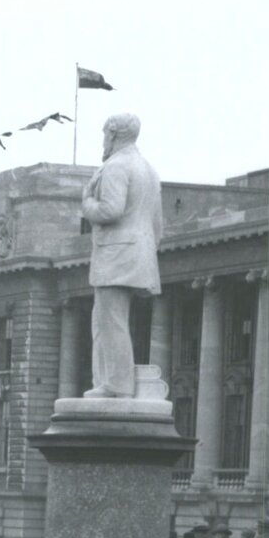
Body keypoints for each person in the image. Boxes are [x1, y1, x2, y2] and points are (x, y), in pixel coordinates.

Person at [80, 111, 163, 398]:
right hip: (139, 255)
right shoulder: (148, 169)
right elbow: (158, 224)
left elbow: (110, 210)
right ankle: (105, 382)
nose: (103, 140)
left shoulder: (115, 166)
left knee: (110, 322)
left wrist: (87, 203)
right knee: (105, 321)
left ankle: (116, 386)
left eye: (105, 134)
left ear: (113, 134)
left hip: (115, 257)